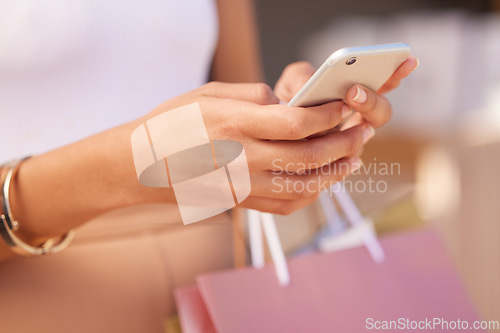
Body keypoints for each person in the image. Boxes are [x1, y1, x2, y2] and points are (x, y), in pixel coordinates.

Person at [0, 0, 418, 331]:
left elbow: (235, 101)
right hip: (39, 306)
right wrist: (132, 164)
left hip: (217, 294)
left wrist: (293, 124)